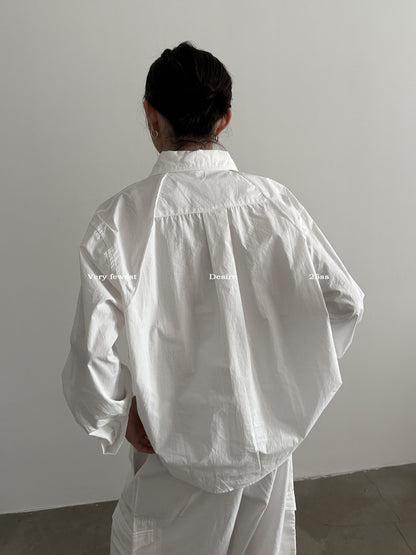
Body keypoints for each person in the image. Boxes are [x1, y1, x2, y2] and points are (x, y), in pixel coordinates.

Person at [61, 41, 365, 555]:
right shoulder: (273, 203)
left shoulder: (121, 222)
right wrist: (284, 381)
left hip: (172, 442)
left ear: (150, 115)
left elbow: (92, 353)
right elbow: (346, 302)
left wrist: (116, 416)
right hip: (266, 447)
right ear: (224, 119)